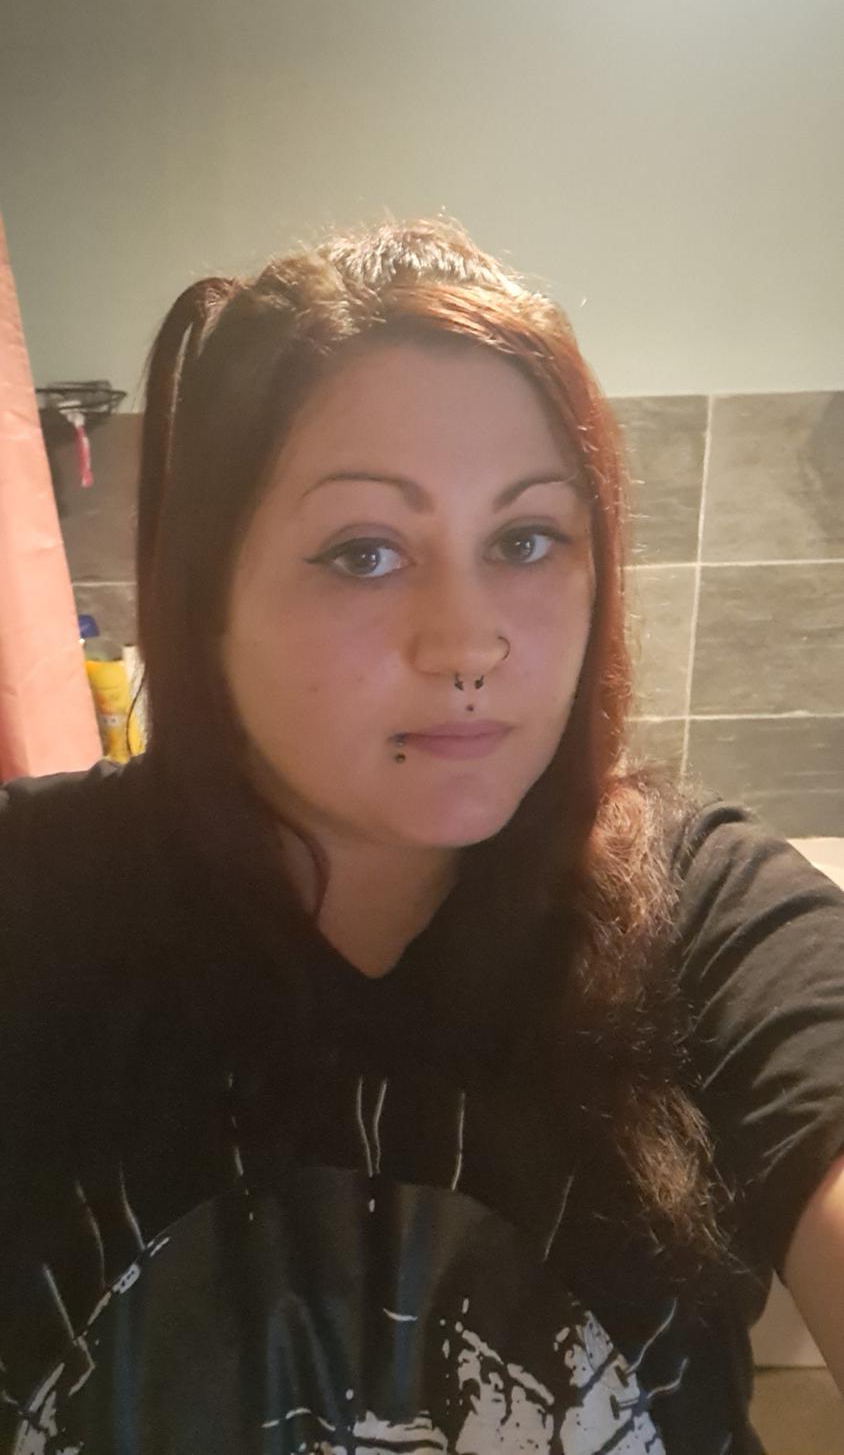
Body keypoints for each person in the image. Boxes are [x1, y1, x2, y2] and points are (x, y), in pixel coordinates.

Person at [1, 217, 843, 1455]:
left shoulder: (706, 913)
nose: (468, 642)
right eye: (365, 553)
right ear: (206, 596)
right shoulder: (34, 904)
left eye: (525, 541)